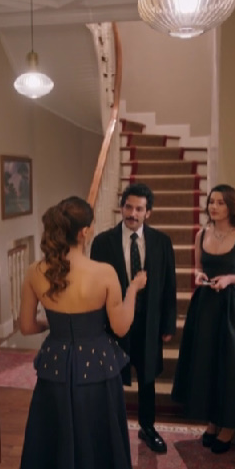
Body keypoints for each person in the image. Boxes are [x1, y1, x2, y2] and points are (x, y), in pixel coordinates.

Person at [15, 196, 147, 469]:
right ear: (85, 232)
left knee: (60, 444)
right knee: (92, 441)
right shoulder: (104, 273)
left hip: (56, 367)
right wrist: (133, 289)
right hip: (96, 368)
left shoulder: (35, 272)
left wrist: (54, 326)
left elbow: (26, 326)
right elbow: (121, 327)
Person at [171, 184, 235, 454]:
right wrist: (199, 275)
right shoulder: (201, 234)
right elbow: (198, 267)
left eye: (220, 203)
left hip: (234, 307)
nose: (213, 207)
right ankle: (213, 422)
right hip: (206, 305)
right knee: (208, 362)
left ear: (232, 207)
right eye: (211, 202)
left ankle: (229, 427)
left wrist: (230, 279)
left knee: (230, 365)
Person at [90, 183, 177, 454]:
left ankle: (147, 427)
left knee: (147, 378)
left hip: (149, 324)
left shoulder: (162, 242)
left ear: (148, 212)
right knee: (113, 378)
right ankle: (112, 430)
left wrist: (168, 324)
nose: (132, 214)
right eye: (128, 207)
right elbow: (96, 288)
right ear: (121, 207)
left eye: (139, 209)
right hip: (115, 324)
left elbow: (169, 286)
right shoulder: (102, 242)